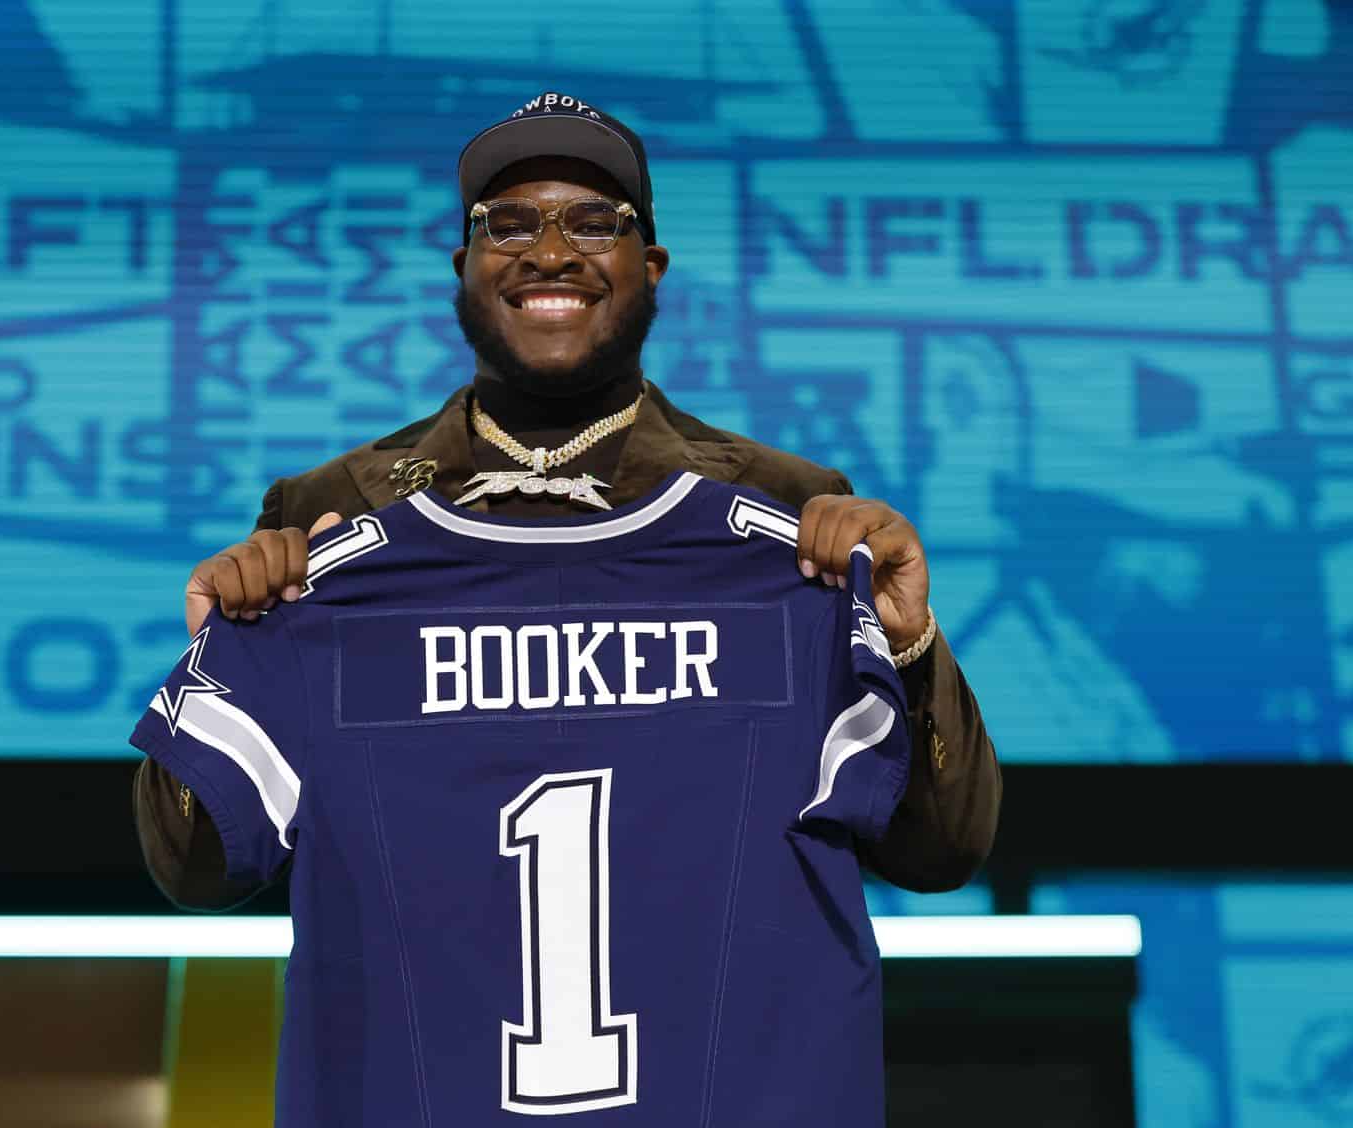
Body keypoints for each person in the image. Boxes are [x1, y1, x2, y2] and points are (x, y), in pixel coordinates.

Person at [132, 93, 999, 908]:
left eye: (593, 223)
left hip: (712, 1059)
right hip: (428, 1057)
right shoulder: (328, 513)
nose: (549, 253)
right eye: (506, 225)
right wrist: (225, 650)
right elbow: (198, 870)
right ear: (463, 267)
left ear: (649, 267)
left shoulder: (785, 509)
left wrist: (909, 643)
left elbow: (939, 850)